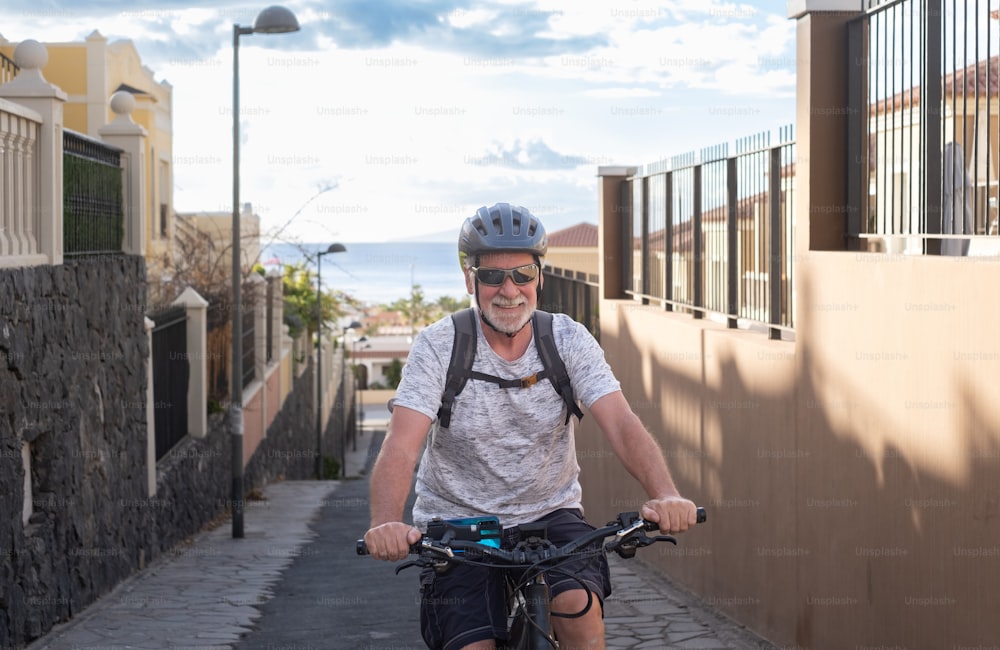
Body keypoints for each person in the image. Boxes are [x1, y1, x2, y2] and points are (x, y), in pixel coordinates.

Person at [363, 202, 698, 650]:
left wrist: (666, 493)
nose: (509, 290)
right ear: (470, 280)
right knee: (472, 646)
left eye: (522, 274)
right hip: (460, 524)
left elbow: (619, 422)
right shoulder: (439, 346)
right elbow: (402, 445)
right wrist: (385, 521)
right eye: (492, 277)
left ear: (540, 276)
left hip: (550, 515)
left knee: (580, 617)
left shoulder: (567, 339)